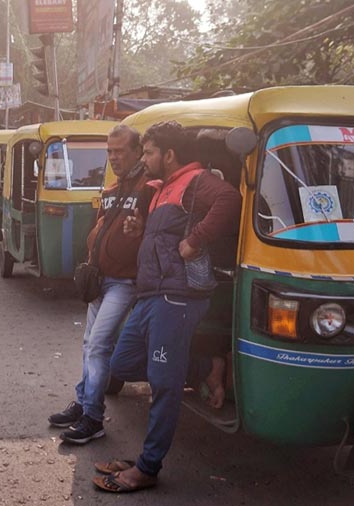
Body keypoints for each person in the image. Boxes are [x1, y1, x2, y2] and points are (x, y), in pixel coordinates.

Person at [93, 121, 241, 493]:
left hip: (177, 296)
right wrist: (139, 230)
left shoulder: (195, 180)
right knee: (121, 363)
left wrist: (195, 241)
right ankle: (207, 368)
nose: (144, 159)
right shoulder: (162, 189)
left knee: (163, 384)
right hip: (151, 295)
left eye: (149, 152)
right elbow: (163, 237)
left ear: (169, 154)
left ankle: (148, 466)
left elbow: (230, 200)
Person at [48, 125, 156, 444]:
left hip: (125, 281)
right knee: (88, 343)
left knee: (98, 345)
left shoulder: (149, 187)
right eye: (109, 151)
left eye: (120, 151)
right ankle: (83, 403)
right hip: (101, 279)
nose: (113, 157)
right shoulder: (111, 190)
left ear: (138, 151)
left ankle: (93, 417)